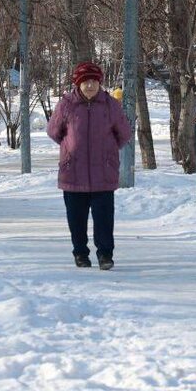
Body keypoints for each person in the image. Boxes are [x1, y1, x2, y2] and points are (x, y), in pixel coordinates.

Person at [46, 61, 133, 270]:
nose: (90, 85)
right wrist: (70, 148)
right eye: (86, 81)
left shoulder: (110, 105)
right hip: (73, 173)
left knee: (104, 218)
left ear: (100, 82)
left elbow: (124, 134)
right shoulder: (66, 104)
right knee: (76, 219)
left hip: (103, 173)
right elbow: (53, 131)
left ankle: (105, 255)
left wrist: (108, 153)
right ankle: (80, 254)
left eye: (94, 81)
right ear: (78, 83)